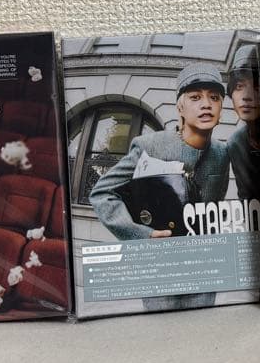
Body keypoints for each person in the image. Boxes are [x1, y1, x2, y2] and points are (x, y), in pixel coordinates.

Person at [90, 64, 230, 240]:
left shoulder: (222, 153)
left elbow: (216, 207)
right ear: (180, 108)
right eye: (195, 97)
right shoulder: (149, 145)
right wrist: (142, 235)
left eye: (214, 98)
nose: (206, 105)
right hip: (159, 251)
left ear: (221, 110)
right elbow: (102, 193)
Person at [225, 44, 260, 202]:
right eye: (239, 86)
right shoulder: (236, 143)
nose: (246, 96)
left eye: (257, 87)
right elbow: (246, 198)